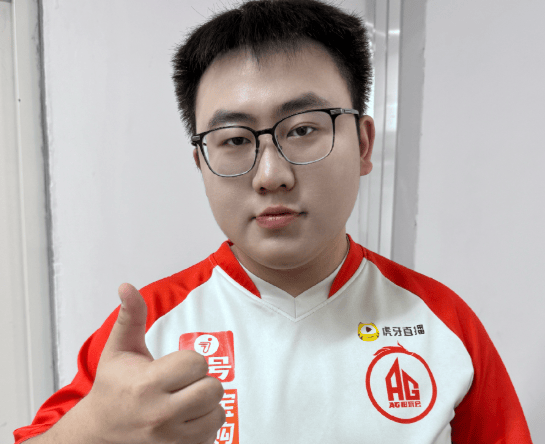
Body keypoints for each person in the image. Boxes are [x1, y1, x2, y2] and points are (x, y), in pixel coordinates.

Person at [14, 0, 532, 443]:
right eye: (235, 140)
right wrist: (92, 430)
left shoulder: (444, 326)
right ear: (201, 163)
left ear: (363, 144)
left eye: (303, 129)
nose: (271, 175)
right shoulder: (146, 332)